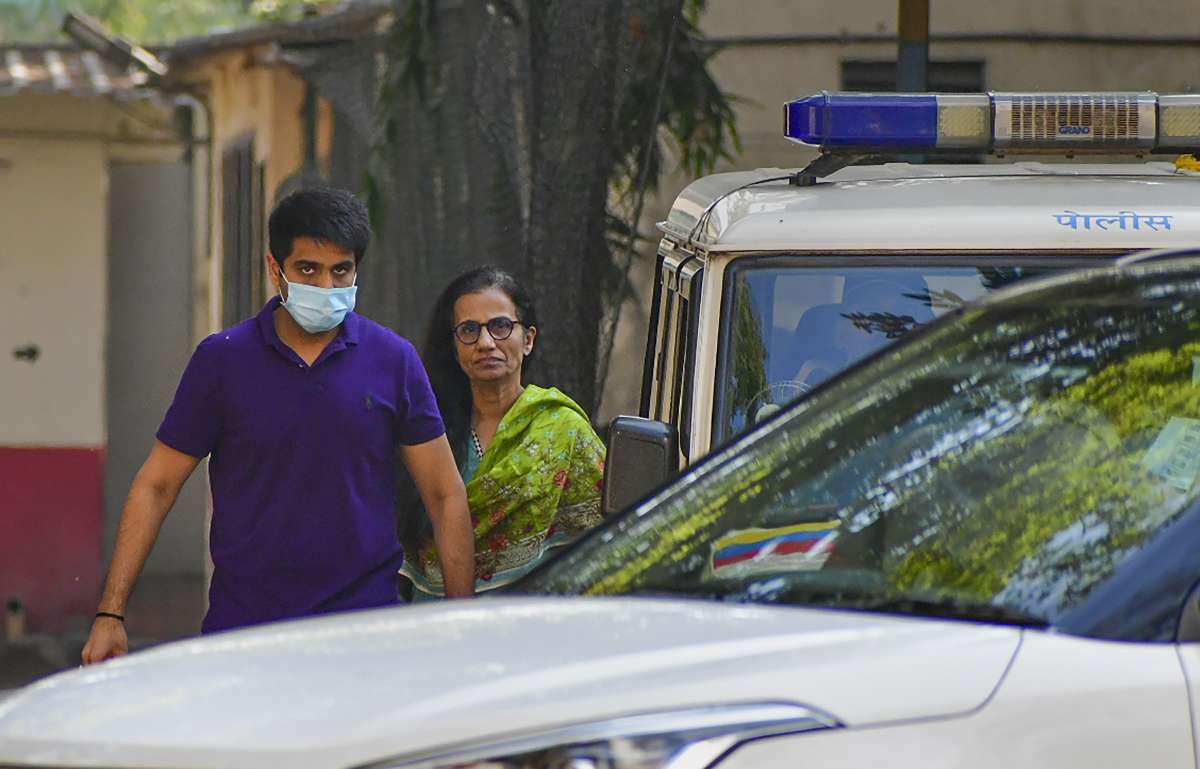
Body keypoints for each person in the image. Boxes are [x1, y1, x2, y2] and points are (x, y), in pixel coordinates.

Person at [82, 187, 474, 664]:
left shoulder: (393, 361)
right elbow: (157, 485)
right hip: (245, 632)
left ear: (356, 272)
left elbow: (444, 494)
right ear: (276, 269)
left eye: (341, 271)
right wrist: (111, 614)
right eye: (308, 269)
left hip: (365, 631)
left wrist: (462, 626)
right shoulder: (223, 361)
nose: (326, 287)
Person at [398, 266, 606, 598]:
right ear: (454, 348)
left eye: (500, 326)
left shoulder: (564, 431)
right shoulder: (430, 431)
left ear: (528, 339)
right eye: (469, 330)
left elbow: (605, 542)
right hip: (434, 624)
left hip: (534, 627)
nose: (485, 342)